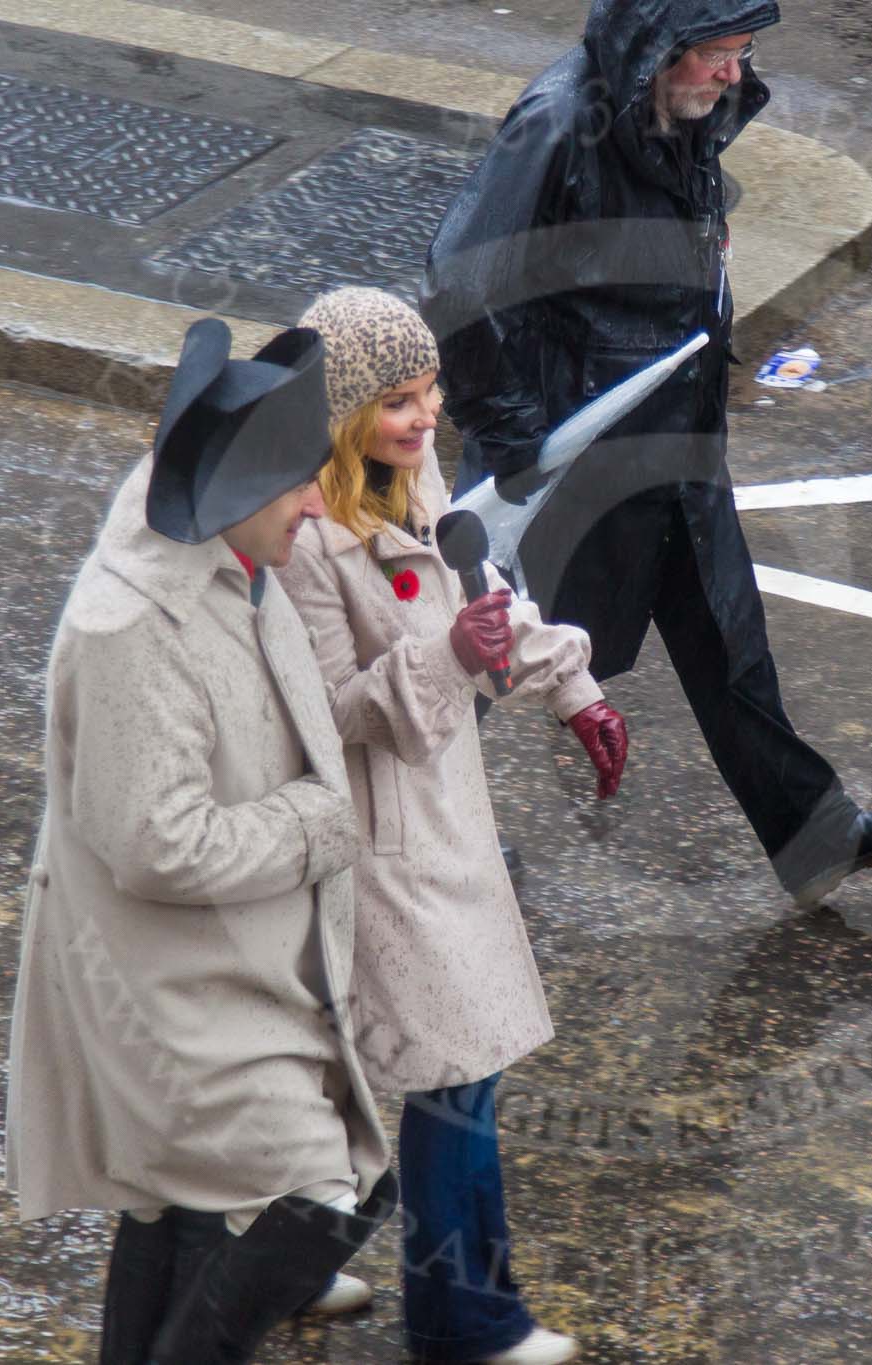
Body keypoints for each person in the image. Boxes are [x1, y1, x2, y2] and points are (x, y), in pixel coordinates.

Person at [422, 0, 872, 909]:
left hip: (670, 442)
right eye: (720, 56)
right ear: (661, 49)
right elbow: (462, 280)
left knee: (731, 643)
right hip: (570, 462)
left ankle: (814, 839)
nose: (735, 75)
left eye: (743, 54)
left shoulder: (673, 107)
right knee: (473, 662)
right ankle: (406, 833)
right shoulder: (561, 126)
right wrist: (510, 435)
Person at [5, 319, 397, 1365]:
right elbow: (157, 845)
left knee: (175, 1206)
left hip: (226, 968)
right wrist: (321, 822)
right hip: (171, 985)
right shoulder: (132, 623)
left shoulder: (226, 545)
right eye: (299, 486)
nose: (317, 509)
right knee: (326, 1189)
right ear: (232, 490)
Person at [280, 287, 626, 1365]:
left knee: (409, 1074)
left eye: (429, 392)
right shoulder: (303, 537)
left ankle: (271, 1270)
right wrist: (454, 659)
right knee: (448, 1077)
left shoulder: (408, 481)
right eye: (396, 400)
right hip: (375, 842)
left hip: (439, 823)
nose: (425, 417)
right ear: (341, 410)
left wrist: (572, 687)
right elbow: (329, 707)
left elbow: (481, 595)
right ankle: (465, 1321)